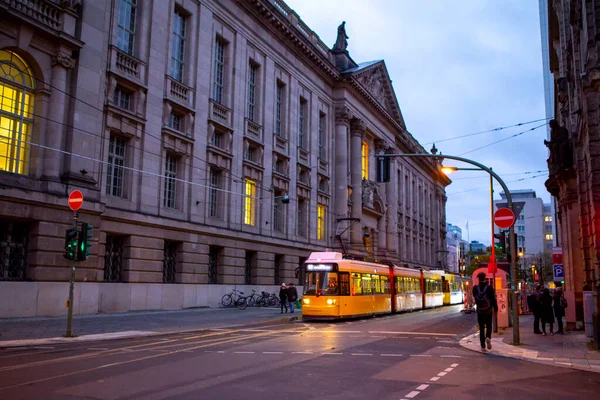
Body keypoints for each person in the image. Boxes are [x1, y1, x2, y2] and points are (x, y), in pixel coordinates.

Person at [473, 272, 498, 351]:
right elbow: (493, 299)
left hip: (480, 311)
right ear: (485, 278)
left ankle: (483, 345)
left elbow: (475, 299)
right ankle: (488, 337)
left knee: (481, 328)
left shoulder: (475, 288)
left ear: (478, 279)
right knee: (489, 326)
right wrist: (495, 309)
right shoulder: (489, 288)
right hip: (488, 310)